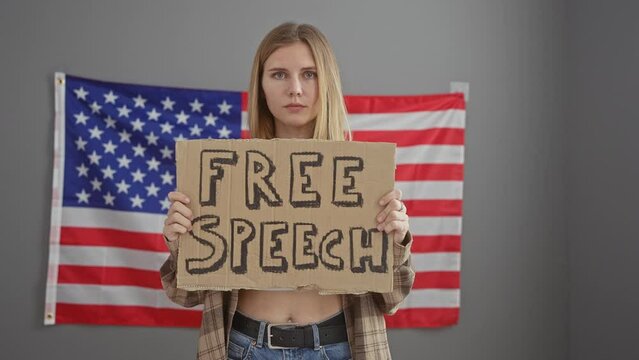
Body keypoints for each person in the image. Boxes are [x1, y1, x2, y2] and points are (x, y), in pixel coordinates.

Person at [161, 22, 415, 360]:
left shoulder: (360, 177)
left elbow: (391, 299)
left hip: (340, 347)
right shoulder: (227, 177)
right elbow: (185, 296)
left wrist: (397, 242)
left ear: (327, 82)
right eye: (279, 74)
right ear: (261, 85)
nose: (295, 89)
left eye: (309, 74)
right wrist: (181, 242)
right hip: (244, 347)